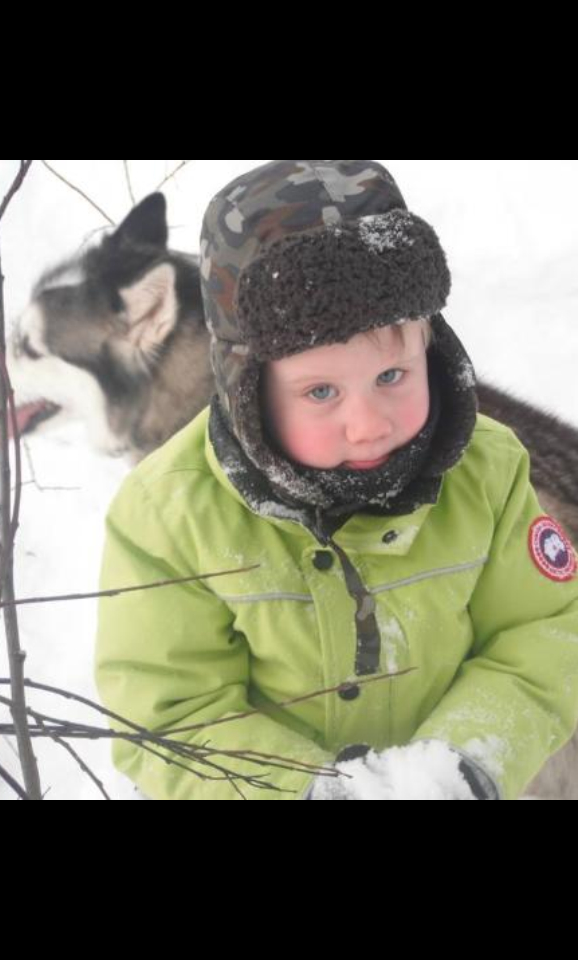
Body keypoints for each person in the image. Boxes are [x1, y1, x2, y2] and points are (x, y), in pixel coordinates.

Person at [95, 160, 578, 800]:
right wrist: (314, 792)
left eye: (391, 377)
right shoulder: (169, 515)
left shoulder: (488, 471)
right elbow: (172, 714)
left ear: (428, 346)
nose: (368, 425)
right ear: (248, 388)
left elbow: (547, 631)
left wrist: (461, 766)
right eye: (321, 391)